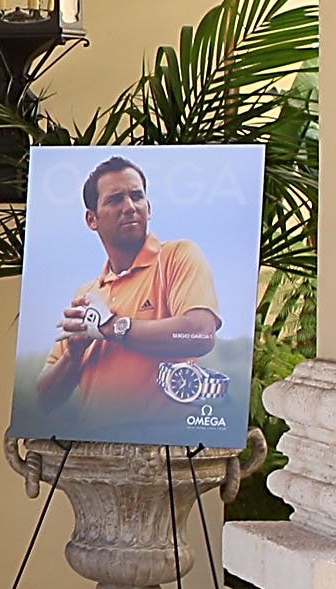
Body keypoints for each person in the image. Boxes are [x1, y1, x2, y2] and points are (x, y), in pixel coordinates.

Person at [33, 156, 222, 427]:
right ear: (91, 219)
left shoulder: (177, 256)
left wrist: (112, 326)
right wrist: (73, 357)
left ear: (149, 207)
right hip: (99, 454)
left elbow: (200, 334)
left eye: (137, 196)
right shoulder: (87, 295)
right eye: (115, 200)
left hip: (168, 450)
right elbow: (44, 400)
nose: (130, 207)